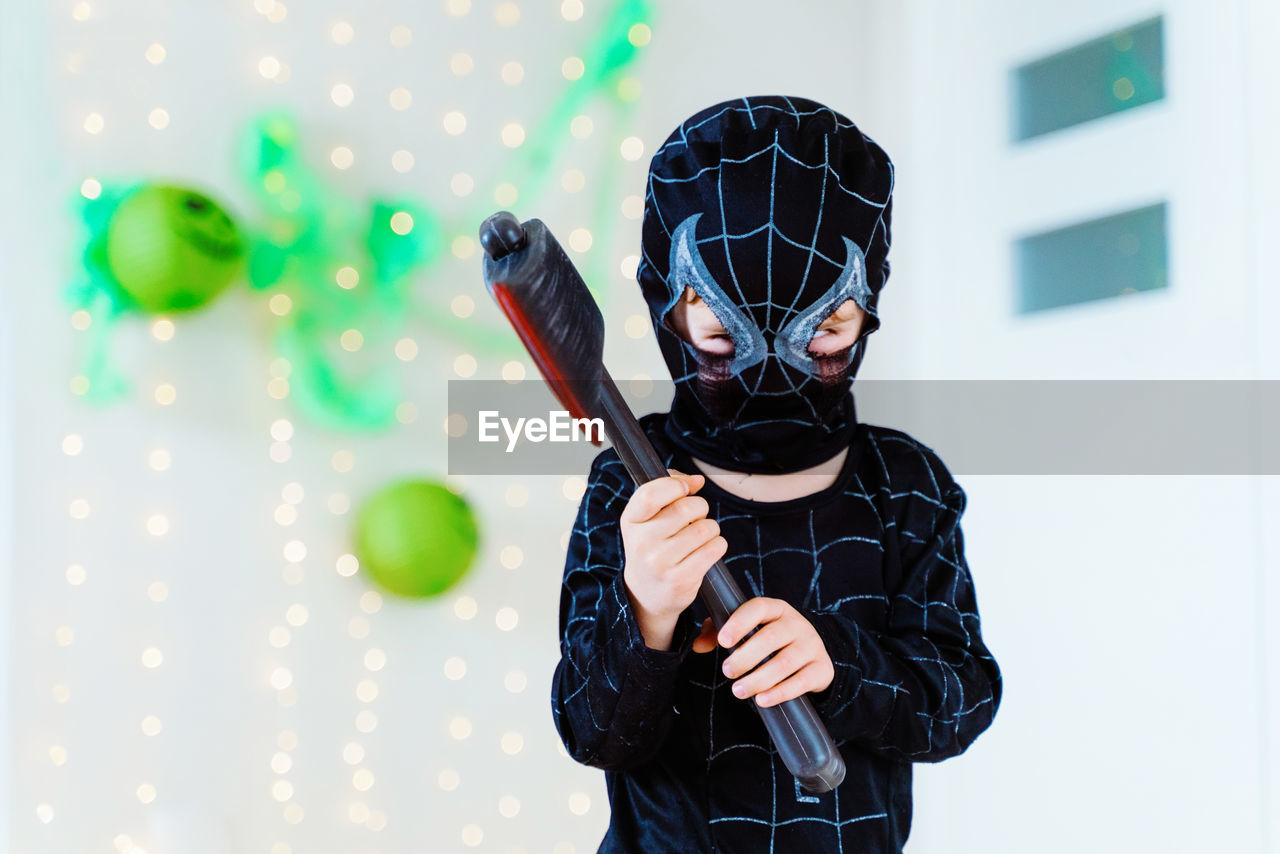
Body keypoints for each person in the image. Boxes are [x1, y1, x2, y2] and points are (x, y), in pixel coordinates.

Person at [550, 95, 1002, 853]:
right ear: (669, 307)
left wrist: (839, 664)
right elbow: (593, 734)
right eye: (724, 335)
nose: (771, 372)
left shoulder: (907, 484)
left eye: (822, 329)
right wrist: (648, 609)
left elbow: (962, 701)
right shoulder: (633, 490)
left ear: (868, 305)